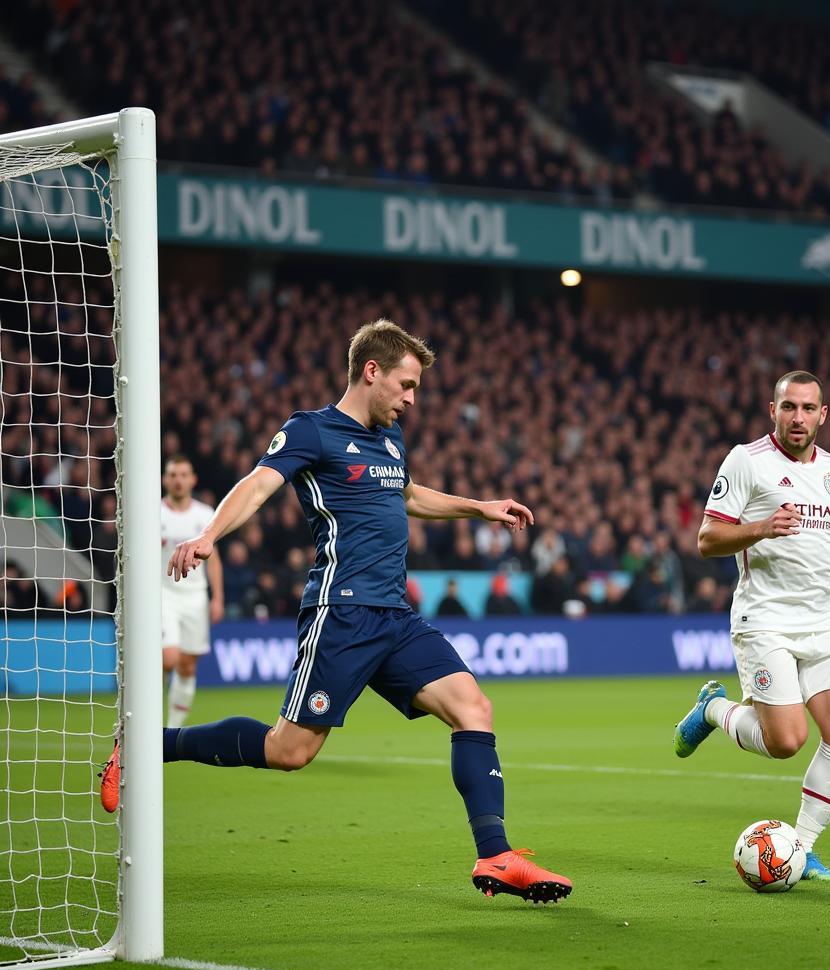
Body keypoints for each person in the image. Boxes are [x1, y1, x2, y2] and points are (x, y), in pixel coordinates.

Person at [102, 319, 571, 904]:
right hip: (341, 614)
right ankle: (149, 744)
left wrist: (481, 507)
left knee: (473, 707)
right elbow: (258, 483)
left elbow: (406, 493)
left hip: (394, 617)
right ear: (370, 372)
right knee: (289, 751)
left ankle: (496, 854)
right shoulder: (313, 431)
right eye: (406, 384)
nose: (411, 398)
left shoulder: (391, 439)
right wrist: (209, 535)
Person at [673, 371, 830, 882]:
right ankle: (713, 709)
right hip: (764, 620)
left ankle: (801, 849)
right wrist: (761, 526)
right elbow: (706, 538)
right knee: (786, 741)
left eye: (808, 408)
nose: (799, 417)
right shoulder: (747, 461)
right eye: (789, 408)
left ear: (823, 415)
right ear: (773, 410)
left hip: (823, 619)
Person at [160, 455, 224, 727]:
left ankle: (171, 730)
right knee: (168, 657)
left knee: (187, 664)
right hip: (162, 593)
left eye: (183, 475)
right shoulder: (153, 512)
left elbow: (215, 559)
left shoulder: (205, 514)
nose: (178, 480)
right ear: (165, 479)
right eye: (173, 475)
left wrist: (217, 597)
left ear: (193, 479)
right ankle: (147, 721)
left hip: (196, 596)